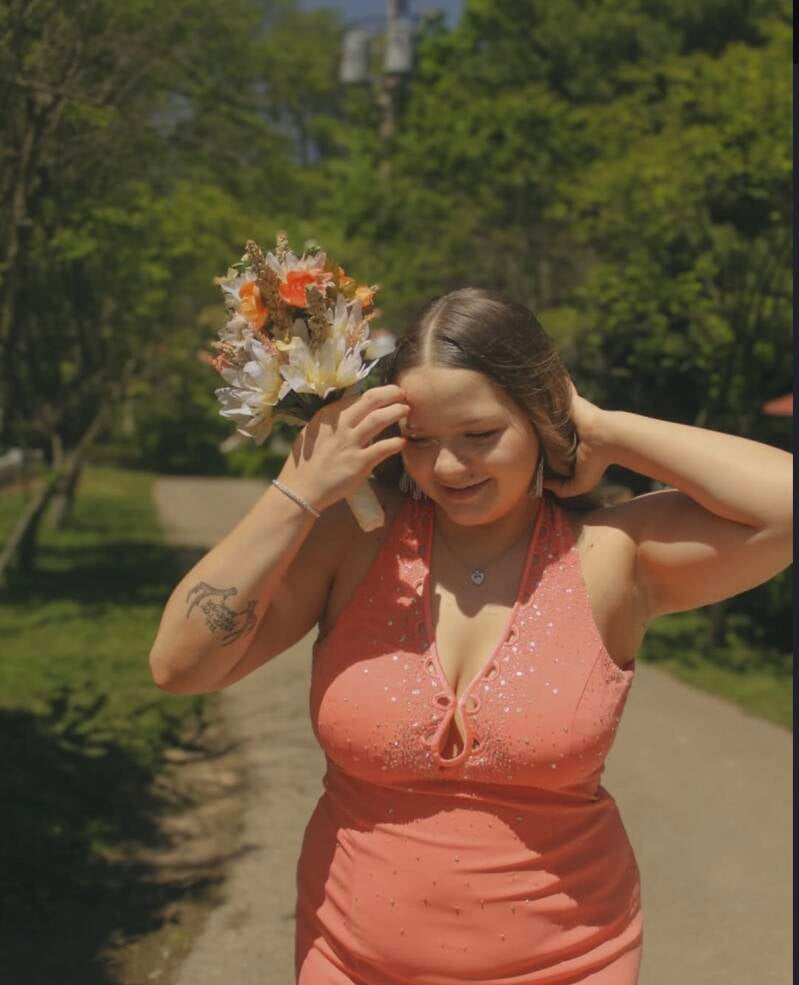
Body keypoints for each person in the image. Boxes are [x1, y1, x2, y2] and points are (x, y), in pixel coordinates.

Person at [148, 287, 792, 984]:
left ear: (539, 415)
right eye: (421, 440)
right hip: (348, 961)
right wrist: (297, 490)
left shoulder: (609, 554)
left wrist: (602, 429)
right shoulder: (354, 539)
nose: (448, 467)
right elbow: (180, 666)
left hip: (573, 964)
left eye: (480, 435)